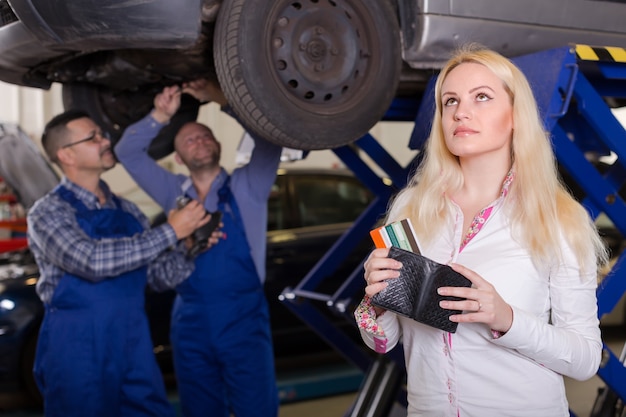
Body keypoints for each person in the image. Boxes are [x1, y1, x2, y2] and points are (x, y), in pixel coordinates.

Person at [354, 45, 609, 416]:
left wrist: (507, 318)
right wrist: (376, 301)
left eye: (482, 97)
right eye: (450, 101)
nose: (462, 112)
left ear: (515, 116)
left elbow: (585, 360)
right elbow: (383, 344)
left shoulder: (557, 218)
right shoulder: (412, 208)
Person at [114, 79, 283, 417]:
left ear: (218, 144)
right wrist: (160, 115)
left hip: (243, 318)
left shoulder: (248, 185)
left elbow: (270, 138)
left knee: (256, 407)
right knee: (199, 408)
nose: (200, 141)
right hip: (190, 319)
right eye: (190, 139)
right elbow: (127, 152)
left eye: (205, 135)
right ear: (178, 157)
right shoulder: (172, 191)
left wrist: (221, 99)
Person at [27, 110, 212, 416]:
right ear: (67, 155)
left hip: (133, 341)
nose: (104, 140)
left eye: (102, 134)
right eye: (93, 137)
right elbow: (90, 261)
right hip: (77, 346)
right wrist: (172, 231)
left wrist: (190, 247)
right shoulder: (48, 212)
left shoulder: (128, 210)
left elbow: (155, 276)